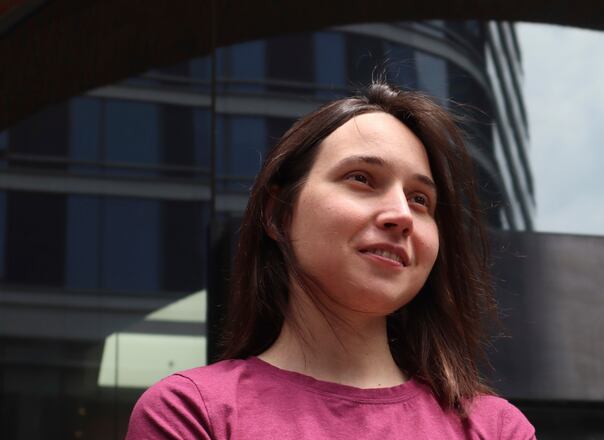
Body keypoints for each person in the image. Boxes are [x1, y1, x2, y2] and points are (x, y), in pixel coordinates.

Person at [125, 82, 536, 439]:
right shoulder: (192, 413)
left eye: (420, 199)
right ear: (278, 213)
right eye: (361, 178)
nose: (402, 215)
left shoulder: (496, 429)